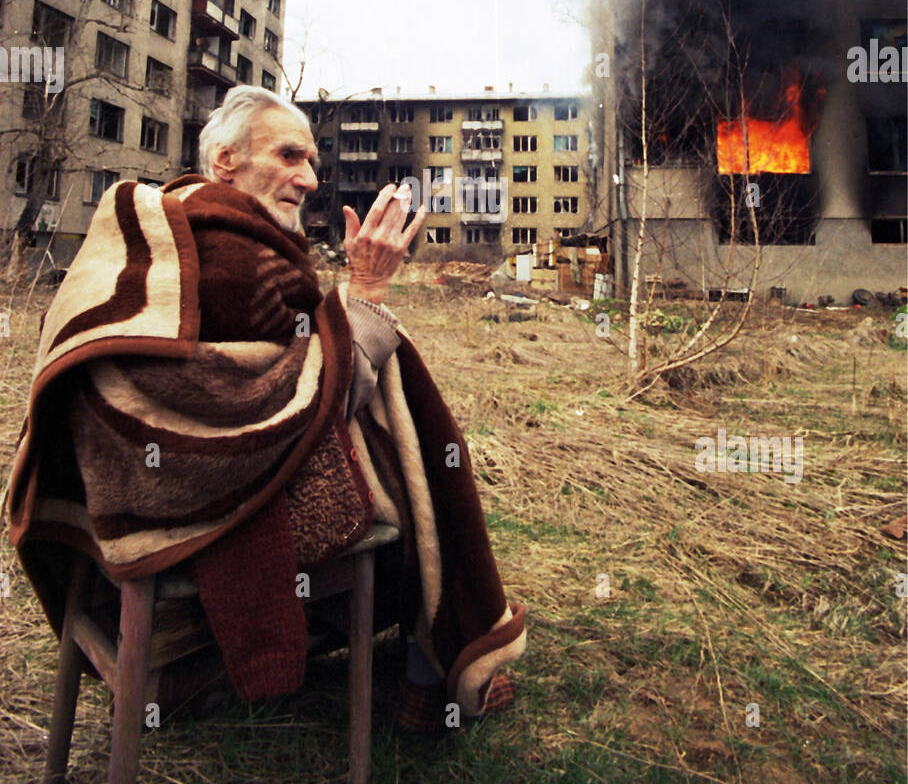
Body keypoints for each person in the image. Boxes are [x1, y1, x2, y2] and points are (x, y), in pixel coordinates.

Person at [6, 87, 525, 732]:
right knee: (412, 459)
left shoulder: (173, 228)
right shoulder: (239, 259)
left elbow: (268, 376)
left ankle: (215, 665)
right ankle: (432, 674)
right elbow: (305, 407)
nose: (308, 179)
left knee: (398, 426)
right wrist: (365, 292)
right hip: (201, 503)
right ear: (225, 162)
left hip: (115, 495)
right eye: (288, 156)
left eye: (312, 161)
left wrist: (343, 317)